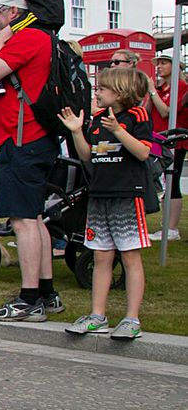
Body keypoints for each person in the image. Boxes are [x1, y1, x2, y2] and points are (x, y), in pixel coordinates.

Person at [0, 0, 62, 321]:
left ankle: (29, 298)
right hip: (34, 137)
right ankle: (46, 294)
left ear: (15, 13)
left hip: (22, 137)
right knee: (35, 218)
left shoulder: (27, 38)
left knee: (22, 221)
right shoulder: (42, 39)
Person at [59, 65, 155, 339]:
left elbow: (144, 152)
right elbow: (88, 156)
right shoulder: (97, 119)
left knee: (130, 256)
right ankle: (97, 315)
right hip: (99, 196)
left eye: (102, 89)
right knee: (101, 256)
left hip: (126, 196)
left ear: (121, 91)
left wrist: (120, 132)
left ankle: (132, 319)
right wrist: (77, 131)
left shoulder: (137, 115)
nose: (97, 93)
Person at [147, 53, 187, 241]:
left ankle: (172, 228)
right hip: (158, 139)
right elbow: (147, 111)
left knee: (173, 180)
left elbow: (166, 112)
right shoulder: (162, 87)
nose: (159, 66)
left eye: (164, 63)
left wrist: (153, 92)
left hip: (175, 140)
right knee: (166, 180)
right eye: (158, 63)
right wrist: (151, 92)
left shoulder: (180, 87)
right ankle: (167, 225)